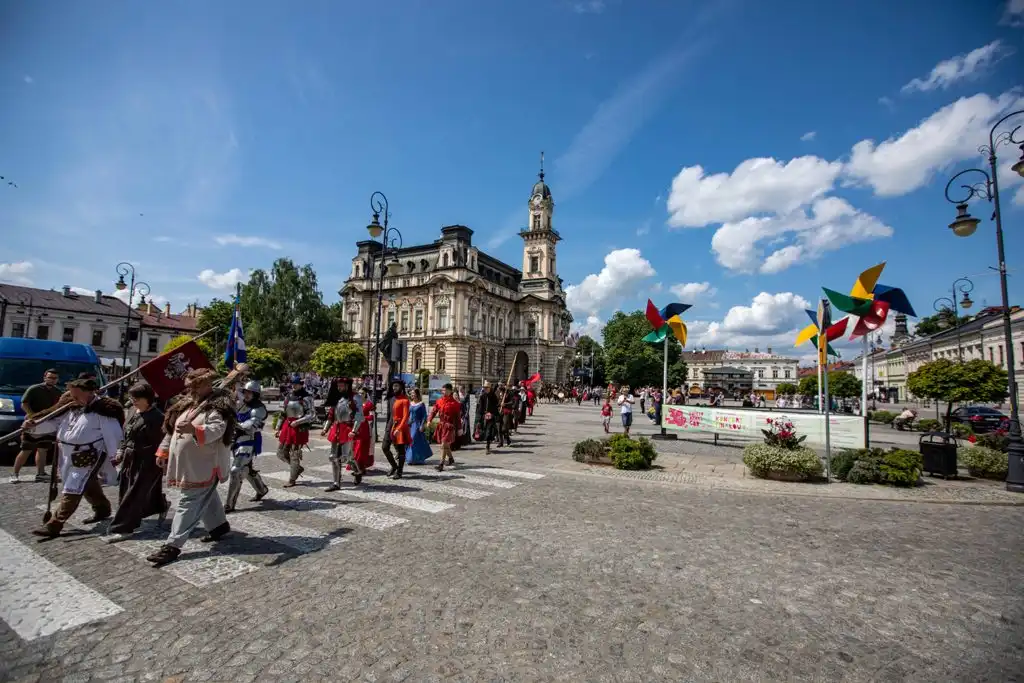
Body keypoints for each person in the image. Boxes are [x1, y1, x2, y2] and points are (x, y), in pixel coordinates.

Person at [146, 367, 241, 567]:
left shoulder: (219, 407)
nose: (191, 390)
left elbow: (217, 430)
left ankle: (173, 545)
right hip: (189, 464)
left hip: (206, 464)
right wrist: (164, 450)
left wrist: (195, 429)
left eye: (195, 386)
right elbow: (173, 430)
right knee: (206, 496)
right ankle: (219, 527)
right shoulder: (187, 405)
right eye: (189, 386)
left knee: (188, 502)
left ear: (207, 385)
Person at [28, 377, 124, 538]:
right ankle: (102, 509)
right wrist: (34, 426)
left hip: (87, 456)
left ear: (90, 393)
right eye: (71, 394)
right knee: (86, 483)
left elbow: (113, 434)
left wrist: (116, 455)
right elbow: (54, 424)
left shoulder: (103, 411)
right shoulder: (71, 407)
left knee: (73, 487)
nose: (72, 398)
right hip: (66, 454)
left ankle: (54, 524)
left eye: (77, 395)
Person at [107, 382, 168, 537]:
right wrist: (121, 450)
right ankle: (160, 505)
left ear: (147, 398)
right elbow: (126, 434)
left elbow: (159, 443)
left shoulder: (157, 418)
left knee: (134, 493)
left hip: (147, 461)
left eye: (137, 398)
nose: (133, 401)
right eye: (132, 398)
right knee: (127, 489)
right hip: (130, 458)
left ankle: (123, 527)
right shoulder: (133, 411)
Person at [10, 368, 63, 483]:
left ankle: (41, 473)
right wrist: (31, 416)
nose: (52, 380)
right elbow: (24, 403)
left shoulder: (58, 392)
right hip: (32, 424)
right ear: (45, 377)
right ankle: (15, 474)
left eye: (55, 378)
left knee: (43, 449)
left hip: (48, 425)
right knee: (26, 449)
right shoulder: (34, 389)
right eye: (50, 377)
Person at [225, 380, 269, 512]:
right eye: (246, 392)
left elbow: (250, 427)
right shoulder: (242, 405)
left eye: (250, 392)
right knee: (246, 468)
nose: (247, 394)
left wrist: (233, 423)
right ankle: (262, 489)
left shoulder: (259, 409)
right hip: (236, 439)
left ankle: (229, 504)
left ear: (256, 394)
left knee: (236, 470)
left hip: (249, 440)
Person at [322, 377, 364, 489]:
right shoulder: (337, 398)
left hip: (348, 428)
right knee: (333, 457)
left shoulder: (355, 398)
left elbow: (359, 416)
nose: (339, 388)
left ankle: (357, 471)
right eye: (338, 386)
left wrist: (354, 430)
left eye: (341, 386)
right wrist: (325, 428)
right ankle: (336, 483)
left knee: (346, 457)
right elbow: (331, 415)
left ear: (347, 386)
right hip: (337, 428)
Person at [276, 374, 314, 487]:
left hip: (299, 428)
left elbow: (311, 414)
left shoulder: (307, 397)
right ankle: (297, 468)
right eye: (293, 384)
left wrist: (298, 422)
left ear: (301, 385)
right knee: (280, 453)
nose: (294, 386)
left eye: (296, 384)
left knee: (294, 454)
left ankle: (292, 479)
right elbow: (283, 413)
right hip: (287, 426)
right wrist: (278, 427)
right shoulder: (288, 396)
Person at [429, 383, 461, 471]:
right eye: (442, 390)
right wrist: (429, 420)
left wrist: (459, 428)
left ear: (450, 391)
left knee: (444, 444)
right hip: (441, 426)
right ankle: (451, 458)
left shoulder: (455, 403)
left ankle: (441, 464)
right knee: (446, 444)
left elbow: (458, 417)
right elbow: (434, 411)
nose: (443, 392)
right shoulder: (439, 401)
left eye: (445, 390)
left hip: (449, 427)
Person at [387, 382, 411, 479]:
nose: (394, 388)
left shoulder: (405, 400)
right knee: (395, 448)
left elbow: (405, 416)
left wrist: (399, 428)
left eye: (396, 386)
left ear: (401, 387)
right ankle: (396, 467)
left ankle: (399, 471)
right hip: (394, 426)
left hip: (400, 427)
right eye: (393, 386)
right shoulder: (394, 399)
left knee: (401, 450)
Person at [405, 388, 432, 465]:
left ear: (417, 394)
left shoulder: (421, 404)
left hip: (417, 425)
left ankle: (412, 459)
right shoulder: (410, 403)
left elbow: (424, 416)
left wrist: (422, 425)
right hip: (410, 425)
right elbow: (408, 414)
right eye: (411, 393)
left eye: (413, 393)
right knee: (411, 441)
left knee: (413, 441)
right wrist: (407, 422)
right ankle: (412, 458)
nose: (412, 394)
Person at [350, 387, 375, 472]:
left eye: (362, 393)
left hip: (364, 428)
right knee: (355, 446)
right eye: (359, 393)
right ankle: (355, 465)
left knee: (361, 447)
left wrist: (363, 418)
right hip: (355, 427)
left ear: (366, 394)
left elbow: (371, 417)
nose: (360, 395)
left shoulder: (369, 404)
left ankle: (360, 466)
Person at [475, 382, 500, 453]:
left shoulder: (493, 396)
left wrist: (494, 414)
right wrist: (480, 418)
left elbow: (496, 405)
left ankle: (488, 446)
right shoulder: (482, 396)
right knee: (485, 431)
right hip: (484, 416)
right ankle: (487, 444)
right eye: (484, 387)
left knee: (489, 431)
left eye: (486, 387)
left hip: (492, 416)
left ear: (489, 388)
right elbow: (480, 408)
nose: (485, 389)